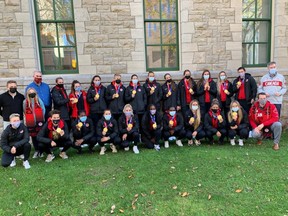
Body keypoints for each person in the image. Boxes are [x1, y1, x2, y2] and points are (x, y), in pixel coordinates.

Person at [23, 87, 45, 158]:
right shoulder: (25, 102)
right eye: (30, 93)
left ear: (35, 93)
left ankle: (41, 151)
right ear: (27, 94)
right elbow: (24, 111)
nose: (32, 94)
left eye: (33, 92)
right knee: (34, 137)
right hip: (31, 122)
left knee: (40, 136)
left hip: (39, 121)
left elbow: (43, 109)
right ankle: (36, 150)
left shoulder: (39, 100)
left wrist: (41, 118)